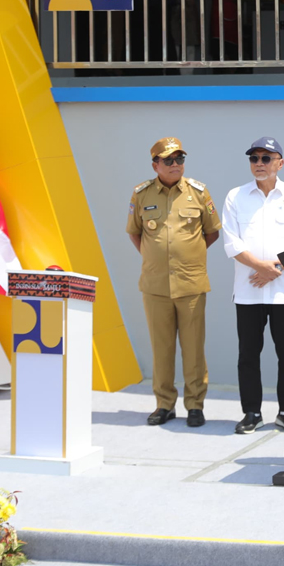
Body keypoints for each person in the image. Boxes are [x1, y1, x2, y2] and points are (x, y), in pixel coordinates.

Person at [127, 137, 222, 428]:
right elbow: (135, 232)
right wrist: (158, 259)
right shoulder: (141, 194)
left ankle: (195, 405)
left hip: (190, 283)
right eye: (168, 160)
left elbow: (212, 232)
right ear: (155, 164)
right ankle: (164, 404)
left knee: (194, 349)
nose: (175, 165)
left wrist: (186, 256)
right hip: (155, 286)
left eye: (179, 159)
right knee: (162, 347)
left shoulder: (198, 192)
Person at [222, 137, 284, 435]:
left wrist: (273, 270)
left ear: (280, 163)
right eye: (254, 158)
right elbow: (231, 242)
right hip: (248, 289)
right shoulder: (235, 196)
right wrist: (260, 267)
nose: (259, 164)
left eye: (266, 158)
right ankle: (252, 412)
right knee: (248, 354)